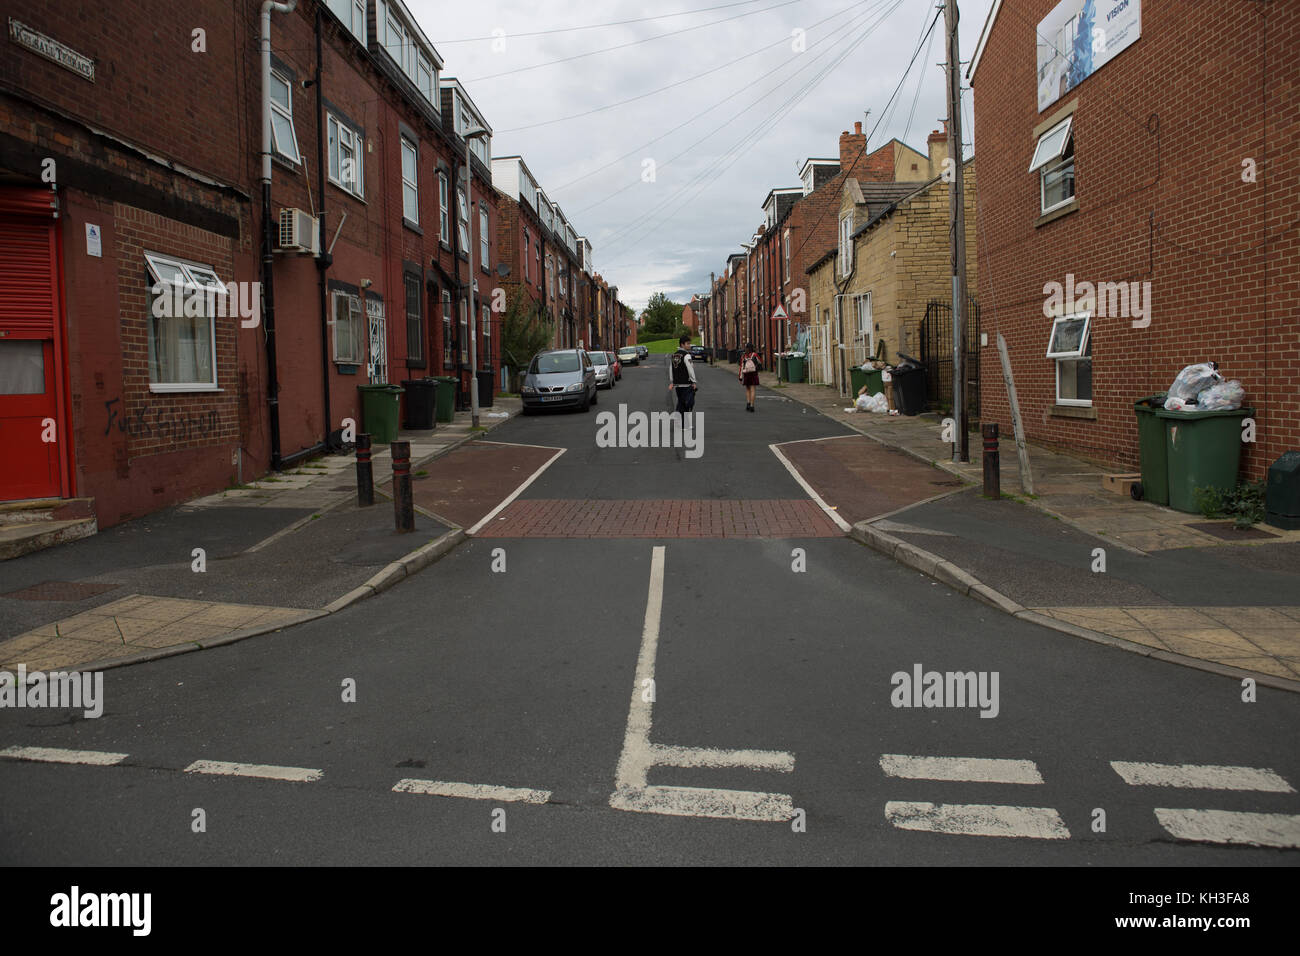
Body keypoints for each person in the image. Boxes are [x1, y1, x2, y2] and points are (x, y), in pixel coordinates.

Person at [668, 332, 697, 422]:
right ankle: (684, 424)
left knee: (681, 403)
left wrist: (672, 381)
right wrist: (693, 381)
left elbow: (671, 369)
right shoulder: (686, 355)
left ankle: (680, 421)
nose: (689, 345)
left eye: (689, 343)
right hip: (686, 384)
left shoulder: (674, 355)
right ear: (682, 344)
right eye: (687, 344)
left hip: (677, 384)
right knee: (687, 404)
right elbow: (690, 369)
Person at [738, 342, 761, 412]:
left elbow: (741, 366)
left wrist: (740, 377)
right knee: (753, 390)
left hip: (746, 374)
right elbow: (760, 362)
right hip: (753, 373)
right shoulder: (755, 355)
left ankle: (748, 403)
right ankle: (752, 406)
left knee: (748, 389)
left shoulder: (744, 356)